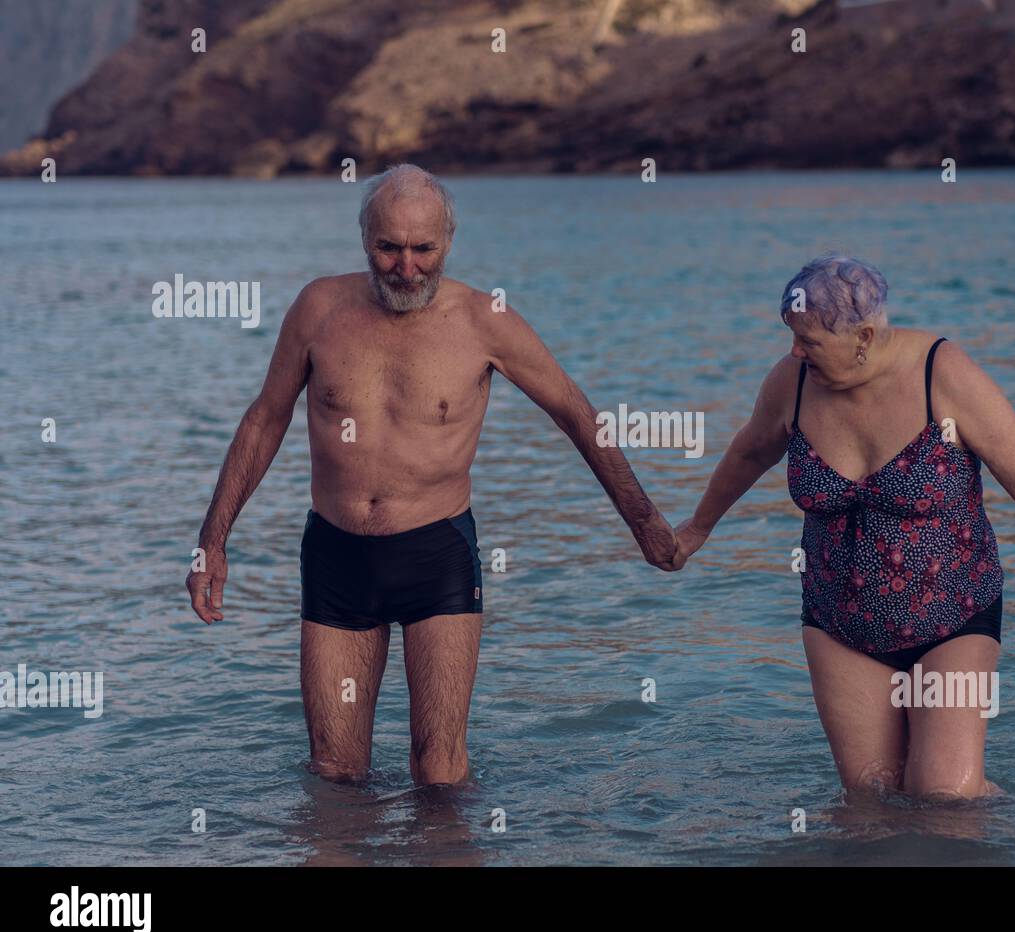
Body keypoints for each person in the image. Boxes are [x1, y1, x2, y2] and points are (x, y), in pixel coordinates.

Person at [185, 164, 677, 786]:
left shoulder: (484, 321)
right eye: (389, 248)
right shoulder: (319, 308)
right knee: (335, 773)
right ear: (365, 239)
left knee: (439, 775)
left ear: (448, 241)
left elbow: (577, 415)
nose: (407, 267)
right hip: (337, 558)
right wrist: (212, 541)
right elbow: (265, 419)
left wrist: (646, 524)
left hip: (436, 555)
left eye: (424, 249)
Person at [671, 255, 1015, 800]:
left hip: (953, 615)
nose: (794, 351)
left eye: (808, 340)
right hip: (840, 621)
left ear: (864, 335)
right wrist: (696, 530)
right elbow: (747, 453)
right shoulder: (793, 384)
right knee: (870, 804)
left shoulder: (941, 374)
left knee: (947, 796)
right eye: (791, 336)